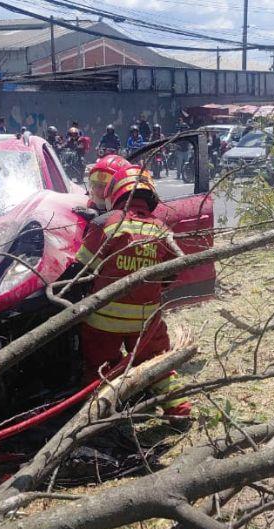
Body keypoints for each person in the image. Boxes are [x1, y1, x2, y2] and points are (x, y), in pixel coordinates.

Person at [74, 165, 191, 419]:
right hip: (146, 318)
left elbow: (81, 270)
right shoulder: (160, 227)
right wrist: (153, 290)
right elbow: (174, 268)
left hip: (103, 320)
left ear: (115, 194)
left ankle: (98, 415)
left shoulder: (106, 223)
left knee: (99, 369)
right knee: (158, 363)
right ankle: (179, 408)